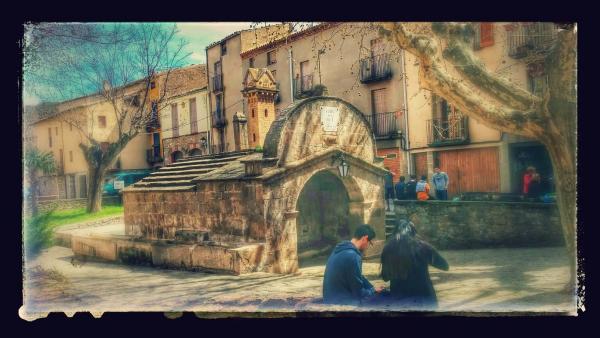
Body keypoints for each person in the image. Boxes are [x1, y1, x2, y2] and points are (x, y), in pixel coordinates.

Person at [380, 220, 449, 308]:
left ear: (395, 232)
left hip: (399, 301)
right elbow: (445, 266)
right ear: (413, 233)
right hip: (425, 300)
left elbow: (385, 277)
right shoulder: (423, 247)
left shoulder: (388, 249)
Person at [323, 224, 383, 305]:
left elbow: (358, 277)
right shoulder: (353, 256)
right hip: (341, 303)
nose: (368, 247)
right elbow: (359, 293)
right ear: (365, 238)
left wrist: (372, 288)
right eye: (370, 243)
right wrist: (372, 291)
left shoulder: (339, 249)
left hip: (329, 298)